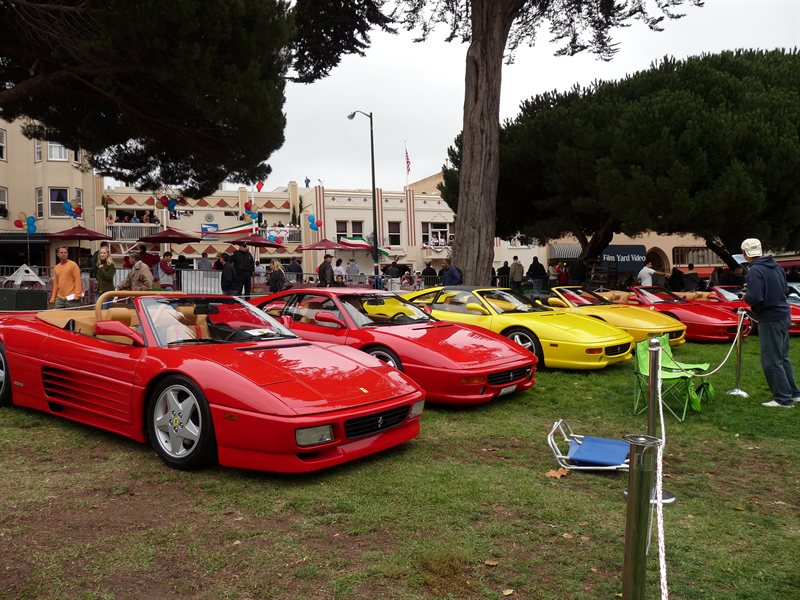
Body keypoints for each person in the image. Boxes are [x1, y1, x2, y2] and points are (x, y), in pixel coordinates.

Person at [741, 238, 800, 408]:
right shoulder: (776, 266)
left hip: (770, 317)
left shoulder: (755, 270)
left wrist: (746, 296)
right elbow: (785, 290)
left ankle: (783, 399)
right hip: (783, 314)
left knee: (771, 361)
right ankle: (794, 393)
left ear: (745, 253)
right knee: (783, 357)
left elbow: (756, 297)